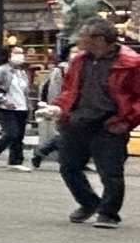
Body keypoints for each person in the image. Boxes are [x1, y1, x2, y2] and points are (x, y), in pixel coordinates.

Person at [52, 18, 139, 228]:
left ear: (98, 39)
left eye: (83, 36)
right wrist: (60, 109)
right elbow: (69, 89)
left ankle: (109, 213)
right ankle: (89, 202)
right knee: (68, 166)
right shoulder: (80, 60)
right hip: (78, 120)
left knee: (110, 172)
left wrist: (127, 121)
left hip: (110, 123)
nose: (78, 41)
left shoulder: (131, 62)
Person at [0, 45, 35, 170]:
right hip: (6, 108)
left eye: (21, 53)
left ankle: (15, 161)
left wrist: (29, 107)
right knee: (12, 133)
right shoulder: (2, 70)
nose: (20, 56)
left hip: (22, 108)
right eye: (16, 53)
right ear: (9, 55)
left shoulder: (22, 73)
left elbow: (24, 91)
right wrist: (3, 100)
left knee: (19, 136)